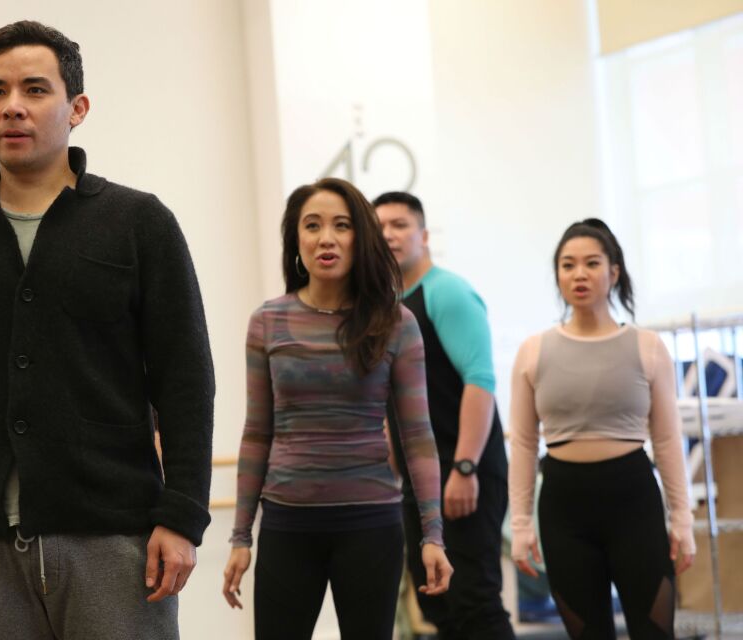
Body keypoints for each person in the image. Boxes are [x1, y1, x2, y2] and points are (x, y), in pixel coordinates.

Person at [0, 21, 214, 640]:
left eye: (35, 89)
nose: (14, 107)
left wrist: (184, 515)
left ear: (76, 108)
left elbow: (185, 381)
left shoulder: (139, 224)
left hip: (117, 539)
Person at [221, 178, 453, 640]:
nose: (326, 237)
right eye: (312, 225)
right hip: (288, 523)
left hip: (370, 524)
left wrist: (433, 536)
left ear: (359, 237)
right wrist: (241, 536)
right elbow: (256, 433)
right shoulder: (268, 321)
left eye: (341, 225)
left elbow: (417, 436)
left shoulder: (395, 322)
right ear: (297, 240)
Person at [509, 218, 695, 639]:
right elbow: (522, 443)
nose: (579, 274)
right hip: (563, 504)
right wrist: (520, 526)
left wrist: (682, 520)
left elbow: (667, 439)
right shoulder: (533, 351)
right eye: (567, 265)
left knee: (654, 633)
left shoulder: (647, 347)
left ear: (613, 272)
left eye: (591, 263)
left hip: (633, 499)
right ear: (557, 275)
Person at [374, 191, 515, 639]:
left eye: (399, 224)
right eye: (379, 228)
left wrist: (465, 466)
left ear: (424, 235)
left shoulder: (446, 292)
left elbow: (480, 381)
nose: (389, 235)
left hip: (464, 473)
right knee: (437, 605)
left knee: (475, 601)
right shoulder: (384, 306)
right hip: (420, 481)